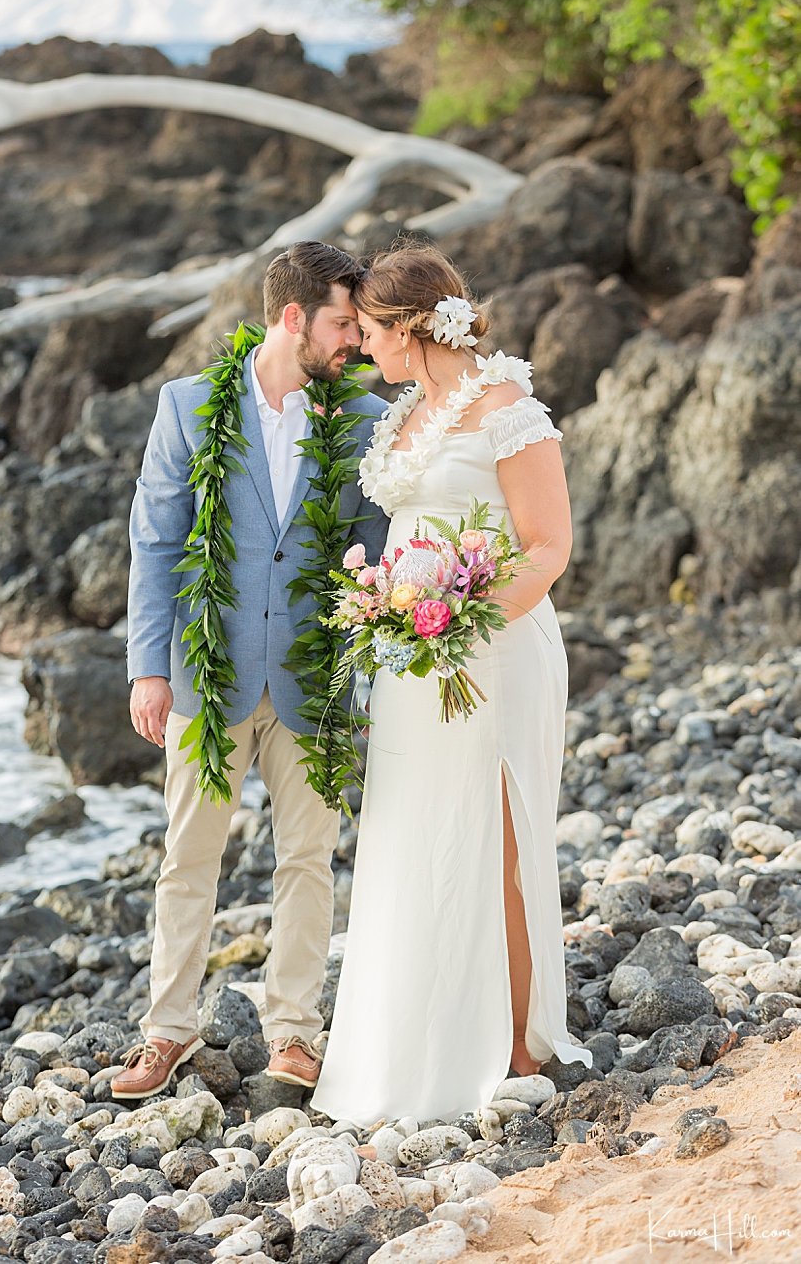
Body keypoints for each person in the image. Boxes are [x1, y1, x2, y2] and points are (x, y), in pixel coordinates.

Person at [312, 245, 593, 1125]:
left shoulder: (511, 412)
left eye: (369, 333)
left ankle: (514, 1045)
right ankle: (412, 1046)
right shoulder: (406, 415)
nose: (361, 348)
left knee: (497, 841)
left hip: (495, 651)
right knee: (413, 838)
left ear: (409, 329)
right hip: (412, 660)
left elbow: (548, 546)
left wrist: (463, 621)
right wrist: (395, 617)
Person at [117, 240, 389, 1099]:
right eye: (345, 322)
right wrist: (148, 669)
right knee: (187, 860)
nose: (357, 339)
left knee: (308, 860)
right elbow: (155, 542)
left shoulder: (367, 422)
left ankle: (294, 1033)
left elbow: (376, 545)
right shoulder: (189, 406)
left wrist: (374, 646)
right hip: (208, 675)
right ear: (293, 317)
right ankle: (166, 1033)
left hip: (315, 680)